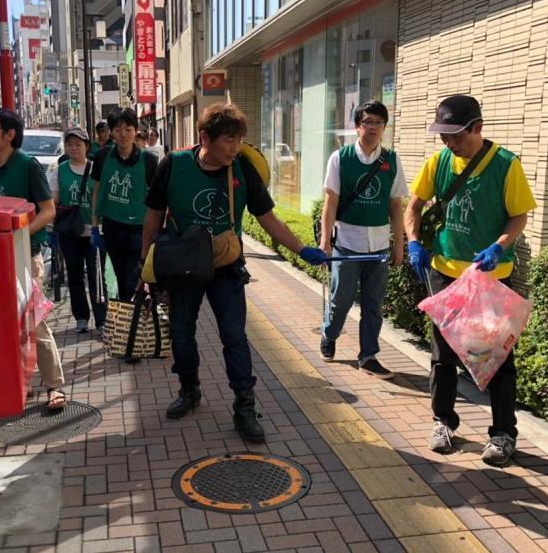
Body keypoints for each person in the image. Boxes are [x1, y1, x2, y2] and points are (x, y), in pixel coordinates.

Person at [141, 102, 327, 443]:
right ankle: (189, 388)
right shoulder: (173, 165)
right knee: (181, 333)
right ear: (204, 138)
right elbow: (153, 215)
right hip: (183, 267)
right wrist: (146, 264)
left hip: (226, 268)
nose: (236, 147)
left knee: (234, 337)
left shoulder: (242, 169)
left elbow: (268, 219)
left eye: (239, 139)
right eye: (229, 140)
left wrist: (301, 249)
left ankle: (245, 407)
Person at [404, 95, 536, 466]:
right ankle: (443, 422)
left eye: (456, 136)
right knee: (443, 355)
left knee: (496, 358)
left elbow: (519, 217)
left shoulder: (506, 165)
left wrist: (498, 246)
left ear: (477, 128)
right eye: (443, 136)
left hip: (489, 277)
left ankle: (503, 434)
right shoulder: (439, 162)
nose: (449, 143)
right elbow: (414, 205)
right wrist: (413, 242)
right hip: (445, 272)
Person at [0, 108, 67, 410]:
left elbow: (48, 211)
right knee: (1, 323)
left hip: (25, 255)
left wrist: (18, 235)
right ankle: (17, 383)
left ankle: (54, 385)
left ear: (9, 134)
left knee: (33, 321)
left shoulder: (28, 166)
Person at [319, 100, 408, 378]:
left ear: (384, 127)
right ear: (358, 126)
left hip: (378, 247)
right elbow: (330, 202)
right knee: (341, 300)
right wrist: (325, 241)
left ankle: (368, 356)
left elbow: (396, 205)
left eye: (378, 123)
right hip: (347, 244)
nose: (373, 127)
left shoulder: (392, 160)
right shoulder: (340, 158)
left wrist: (399, 245)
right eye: (367, 122)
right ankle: (329, 333)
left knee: (373, 305)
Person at [90, 107, 158, 301]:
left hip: (138, 229)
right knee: (120, 277)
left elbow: (157, 199)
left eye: (128, 129)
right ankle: (127, 314)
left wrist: (157, 229)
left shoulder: (148, 160)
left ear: (136, 130)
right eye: (118, 129)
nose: (123, 134)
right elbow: (96, 191)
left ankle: (130, 313)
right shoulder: (102, 157)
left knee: (132, 279)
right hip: (112, 227)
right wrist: (94, 226)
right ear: (111, 132)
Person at [48, 128, 107, 334]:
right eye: (70, 144)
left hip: (94, 232)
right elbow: (53, 201)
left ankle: (101, 320)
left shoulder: (96, 169)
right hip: (70, 233)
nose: (74, 148)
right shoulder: (59, 171)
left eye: (78, 144)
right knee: (74, 276)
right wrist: (50, 228)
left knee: (96, 276)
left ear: (87, 147)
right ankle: (81, 317)